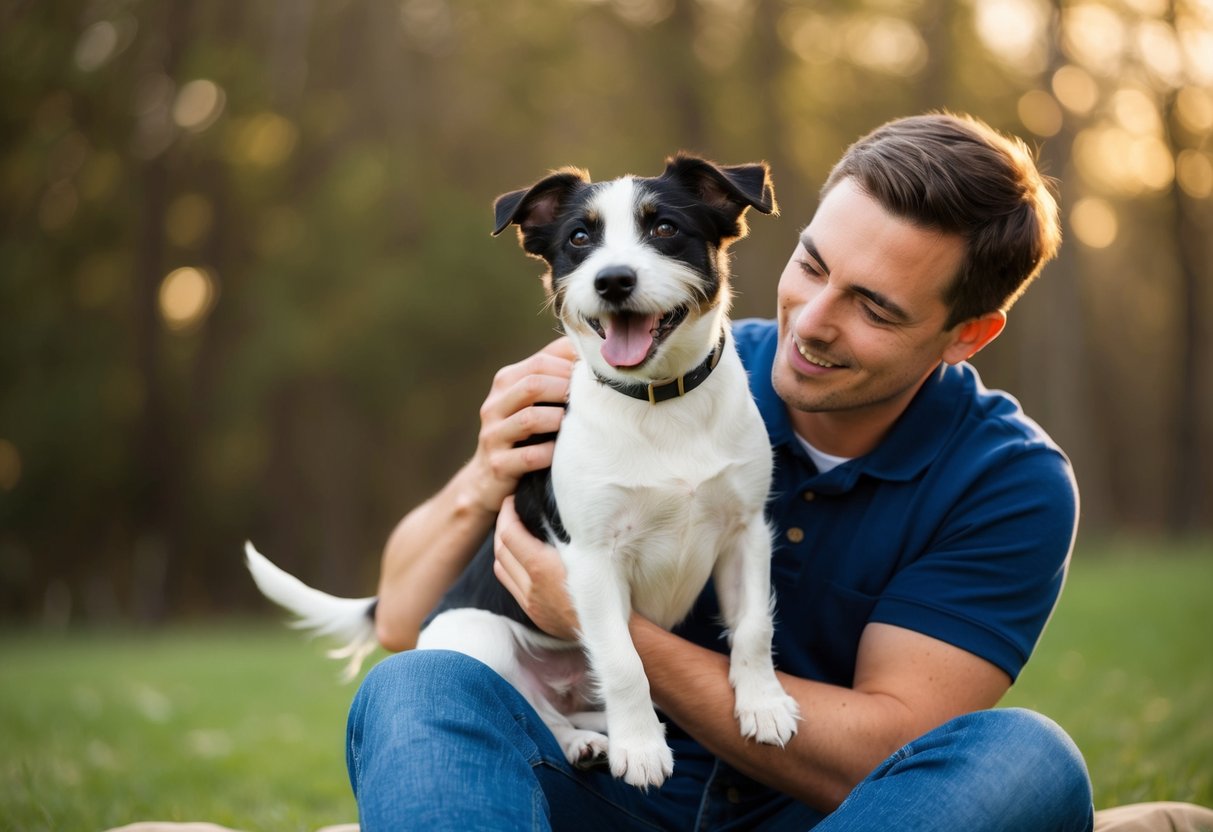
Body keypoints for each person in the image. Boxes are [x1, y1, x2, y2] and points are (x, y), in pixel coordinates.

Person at [344, 114, 1096, 831]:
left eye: (873, 308)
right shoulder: (636, 362)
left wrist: (599, 622)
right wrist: (484, 476)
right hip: (599, 790)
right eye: (811, 265)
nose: (811, 322)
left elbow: (882, 749)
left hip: (828, 817)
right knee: (415, 686)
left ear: (967, 335)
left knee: (1027, 758)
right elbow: (404, 625)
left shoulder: (1008, 482)